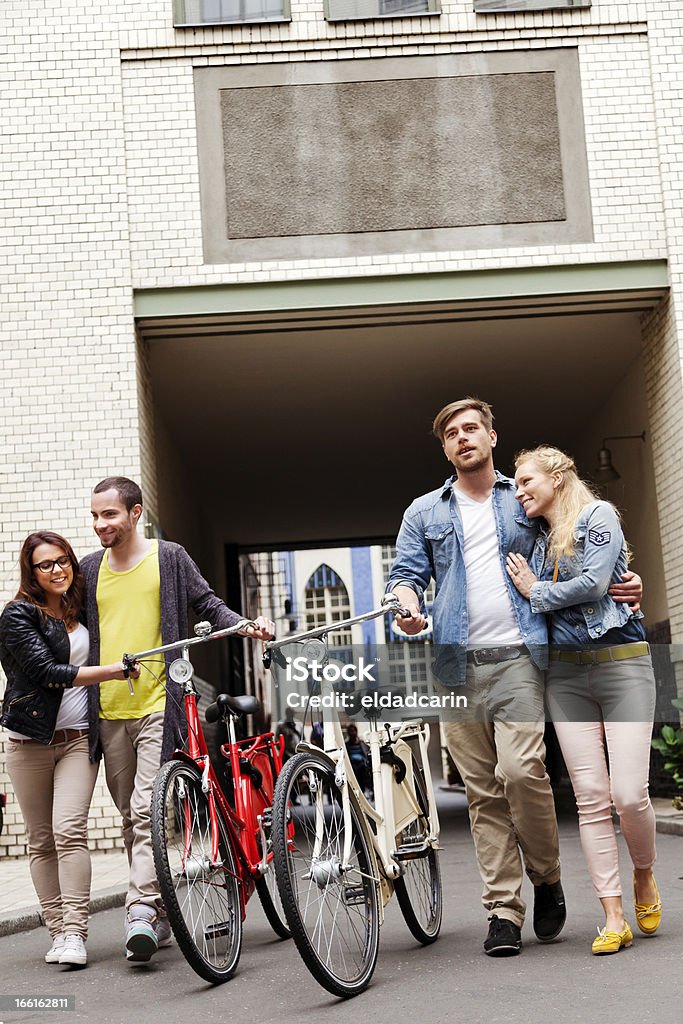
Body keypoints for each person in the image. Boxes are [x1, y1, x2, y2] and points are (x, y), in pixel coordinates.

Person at [386, 398, 641, 957]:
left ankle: (546, 876)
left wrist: (625, 578)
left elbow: (575, 542)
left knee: (522, 770)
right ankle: (503, 908)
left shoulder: (522, 497)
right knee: (481, 791)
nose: (462, 438)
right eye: (451, 433)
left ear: (492, 437)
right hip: (454, 664)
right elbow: (405, 576)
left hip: (520, 656)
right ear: (445, 447)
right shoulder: (425, 510)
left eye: (471, 428)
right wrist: (404, 605)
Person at [80, 477, 274, 964]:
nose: (101, 524)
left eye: (110, 514)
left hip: (157, 703)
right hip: (106, 709)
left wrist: (244, 625)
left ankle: (140, 909)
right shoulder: (87, 570)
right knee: (131, 817)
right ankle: (161, 907)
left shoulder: (169, 558)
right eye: (96, 516)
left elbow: (206, 604)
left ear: (135, 512)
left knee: (147, 807)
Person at [506, 445, 660, 955]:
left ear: (559, 476)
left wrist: (537, 592)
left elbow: (595, 585)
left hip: (623, 666)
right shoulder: (534, 540)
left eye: (526, 480)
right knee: (591, 798)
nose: (519, 490)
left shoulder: (598, 515)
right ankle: (612, 914)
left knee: (629, 795)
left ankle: (643, 873)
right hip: (566, 678)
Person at [0, 531, 137, 968]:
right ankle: (56, 930)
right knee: (40, 841)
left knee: (68, 830)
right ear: (31, 571)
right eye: (46, 564)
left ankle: (76, 932)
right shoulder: (18, 615)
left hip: (77, 739)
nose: (57, 570)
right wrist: (111, 672)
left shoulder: (85, 612)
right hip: (28, 743)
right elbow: (46, 671)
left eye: (63, 561)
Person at [345, 723, 370, 795]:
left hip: (361, 766)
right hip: (352, 766)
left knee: (362, 775)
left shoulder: (361, 743)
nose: (352, 733)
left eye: (353, 731)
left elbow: (366, 753)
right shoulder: (347, 745)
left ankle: (364, 791)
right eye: (350, 731)